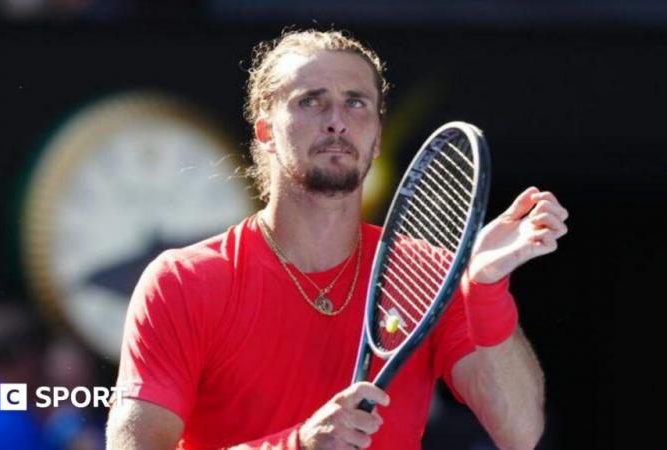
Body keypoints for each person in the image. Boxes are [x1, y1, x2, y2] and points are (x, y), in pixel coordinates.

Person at [106, 29, 569, 450]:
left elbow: (521, 432)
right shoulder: (183, 282)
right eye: (311, 101)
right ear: (266, 131)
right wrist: (298, 445)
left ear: (377, 137)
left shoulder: (426, 274)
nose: (337, 121)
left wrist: (484, 288)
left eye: (356, 102)